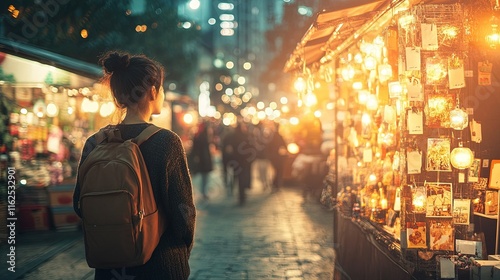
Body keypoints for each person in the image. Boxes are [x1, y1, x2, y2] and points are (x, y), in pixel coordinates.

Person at [72, 51, 196, 280]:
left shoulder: (95, 143)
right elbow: (183, 213)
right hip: (161, 265)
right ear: (152, 91)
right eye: (162, 87)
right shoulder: (166, 142)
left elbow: (80, 206)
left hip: (110, 268)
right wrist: (182, 250)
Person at [221, 120, 254, 205]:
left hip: (236, 162)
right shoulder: (244, 137)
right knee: (241, 178)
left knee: (237, 178)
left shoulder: (232, 137)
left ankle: (239, 194)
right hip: (243, 162)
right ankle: (241, 195)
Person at [188, 120, 214, 200]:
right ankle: (203, 192)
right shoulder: (203, 136)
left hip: (202, 158)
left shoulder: (199, 135)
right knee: (204, 176)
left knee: (203, 176)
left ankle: (202, 192)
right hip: (203, 159)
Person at [266, 122, 287, 192]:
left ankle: (275, 184)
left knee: (277, 171)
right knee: (278, 171)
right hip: (277, 157)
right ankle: (276, 184)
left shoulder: (272, 136)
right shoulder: (278, 136)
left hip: (274, 157)